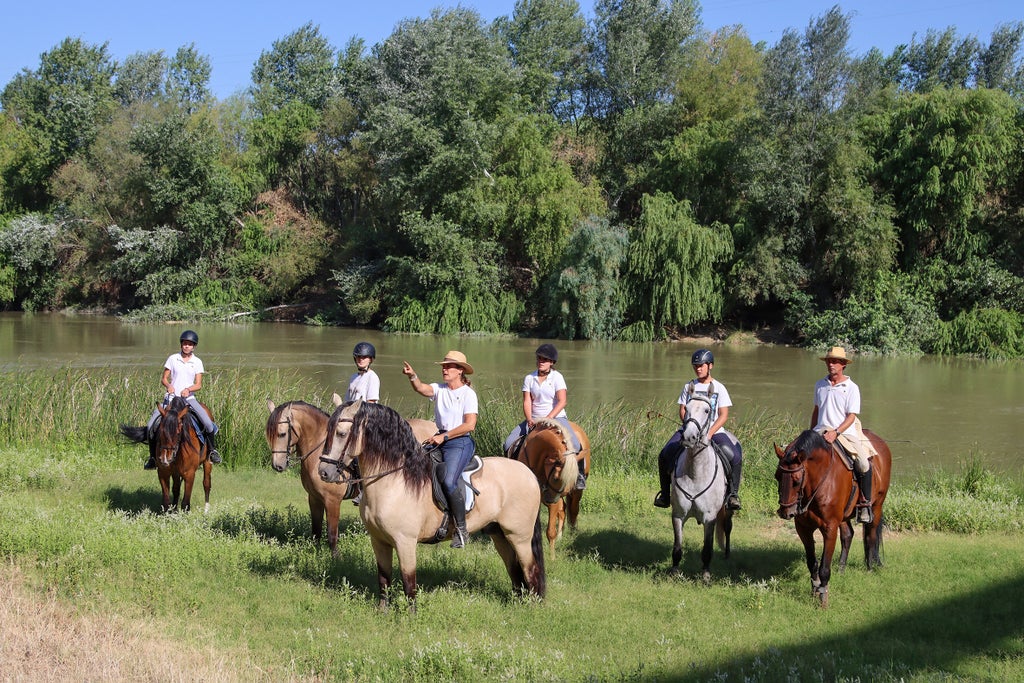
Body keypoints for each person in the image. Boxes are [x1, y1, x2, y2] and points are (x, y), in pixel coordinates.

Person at [402, 350, 478, 548]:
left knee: (449, 481)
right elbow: (421, 388)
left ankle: (461, 530)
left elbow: (470, 425)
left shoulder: (468, 394)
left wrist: (443, 436)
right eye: (443, 366)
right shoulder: (440, 389)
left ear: (460, 371)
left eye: (449, 366)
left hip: (460, 442)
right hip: (440, 439)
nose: (444, 369)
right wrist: (412, 376)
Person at [653, 349, 743, 510]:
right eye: (695, 366)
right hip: (689, 430)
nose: (698, 368)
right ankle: (665, 495)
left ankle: (733, 495)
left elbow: (723, 415)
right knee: (664, 454)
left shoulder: (719, 388)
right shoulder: (689, 386)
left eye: (701, 365)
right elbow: (682, 410)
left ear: (710, 366)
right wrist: (688, 426)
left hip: (714, 431)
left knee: (734, 456)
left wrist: (709, 433)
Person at [811, 346, 877, 523]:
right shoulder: (820, 385)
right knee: (794, 457)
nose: (831, 364)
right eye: (828, 361)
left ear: (843, 365)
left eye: (835, 361)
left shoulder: (852, 387)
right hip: (820, 431)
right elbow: (816, 411)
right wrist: (810, 433)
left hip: (844, 433)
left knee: (864, 464)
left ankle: (865, 504)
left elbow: (851, 416)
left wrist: (836, 432)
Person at [143, 330, 221, 469]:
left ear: (194, 346)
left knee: (208, 424)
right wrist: (169, 386)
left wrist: (189, 389)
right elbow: (164, 378)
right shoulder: (173, 359)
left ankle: (212, 452)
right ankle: (153, 458)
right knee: (150, 426)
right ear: (181, 344)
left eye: (189, 344)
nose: (186, 346)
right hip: (171, 399)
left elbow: (198, 384)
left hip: (188, 399)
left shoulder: (197, 362)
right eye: (185, 343)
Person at [502, 343, 582, 457]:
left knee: (575, 445)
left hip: (556, 417)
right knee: (508, 443)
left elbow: (562, 401)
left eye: (545, 359)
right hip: (534, 418)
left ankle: (579, 467)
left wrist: (548, 418)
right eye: (539, 358)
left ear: (552, 362)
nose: (541, 361)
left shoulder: (557, 377)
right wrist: (529, 419)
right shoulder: (529, 378)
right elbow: (527, 401)